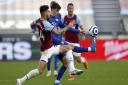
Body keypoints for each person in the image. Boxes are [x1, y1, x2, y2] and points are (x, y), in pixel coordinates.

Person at [16, 5, 76, 85]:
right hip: (48, 49)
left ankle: (21, 80)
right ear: (44, 13)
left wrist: (34, 29)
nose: (50, 13)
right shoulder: (46, 24)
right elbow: (58, 32)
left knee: (39, 71)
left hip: (47, 49)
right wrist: (68, 26)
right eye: (48, 11)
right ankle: (71, 69)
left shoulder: (38, 21)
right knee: (69, 47)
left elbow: (32, 25)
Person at [63, 3, 89, 80]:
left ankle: (84, 60)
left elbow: (82, 28)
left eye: (71, 8)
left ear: (73, 9)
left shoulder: (77, 18)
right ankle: (71, 75)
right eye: (69, 8)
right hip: (67, 41)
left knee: (78, 59)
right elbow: (61, 28)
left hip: (75, 41)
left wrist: (84, 35)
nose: (70, 10)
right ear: (67, 9)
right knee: (68, 58)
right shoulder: (64, 18)